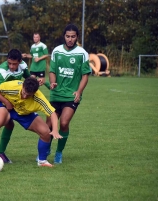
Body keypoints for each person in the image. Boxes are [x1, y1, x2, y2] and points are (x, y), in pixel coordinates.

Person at [0, 77, 63, 167]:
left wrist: (55, 130)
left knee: (46, 132)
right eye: (24, 92)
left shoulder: (39, 98)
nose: (25, 96)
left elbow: (52, 113)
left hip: (25, 114)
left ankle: (42, 161)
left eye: (28, 95)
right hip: (8, 108)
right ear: (22, 86)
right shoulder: (11, 86)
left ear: (35, 92)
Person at [47, 24, 91, 164]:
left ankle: (58, 153)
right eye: (67, 36)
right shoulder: (57, 51)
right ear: (64, 36)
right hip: (56, 95)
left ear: (77, 37)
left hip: (71, 96)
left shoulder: (82, 53)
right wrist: (53, 82)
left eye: (73, 36)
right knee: (47, 125)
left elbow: (85, 75)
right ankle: (44, 151)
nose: (70, 39)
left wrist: (79, 91)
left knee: (64, 123)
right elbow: (52, 71)